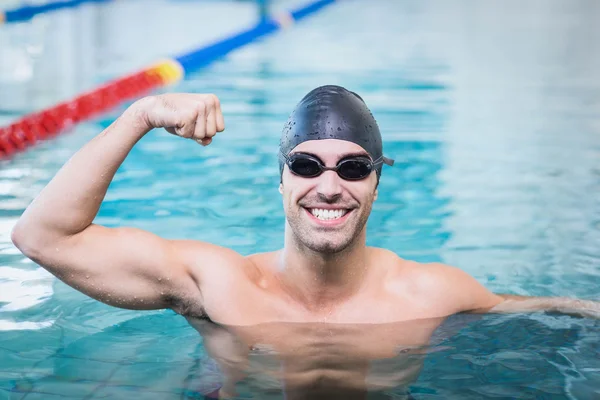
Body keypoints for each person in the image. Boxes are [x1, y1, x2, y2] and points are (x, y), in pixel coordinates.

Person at [11, 85, 599, 399]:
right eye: (307, 163)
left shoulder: (430, 291)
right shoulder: (219, 284)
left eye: (353, 168)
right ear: (281, 177)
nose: (328, 186)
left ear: (375, 183)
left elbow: (534, 310)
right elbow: (41, 237)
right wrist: (139, 115)